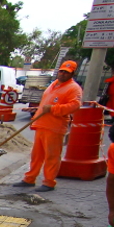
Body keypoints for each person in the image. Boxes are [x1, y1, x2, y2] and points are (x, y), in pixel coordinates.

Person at [12, 60, 83, 192]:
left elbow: (75, 106)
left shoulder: (74, 88)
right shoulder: (54, 85)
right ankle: (30, 179)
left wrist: (53, 109)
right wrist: (36, 112)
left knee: (52, 156)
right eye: (61, 71)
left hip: (55, 127)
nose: (62, 74)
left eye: (66, 72)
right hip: (42, 125)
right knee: (36, 155)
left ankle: (49, 182)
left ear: (73, 73)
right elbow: (46, 104)